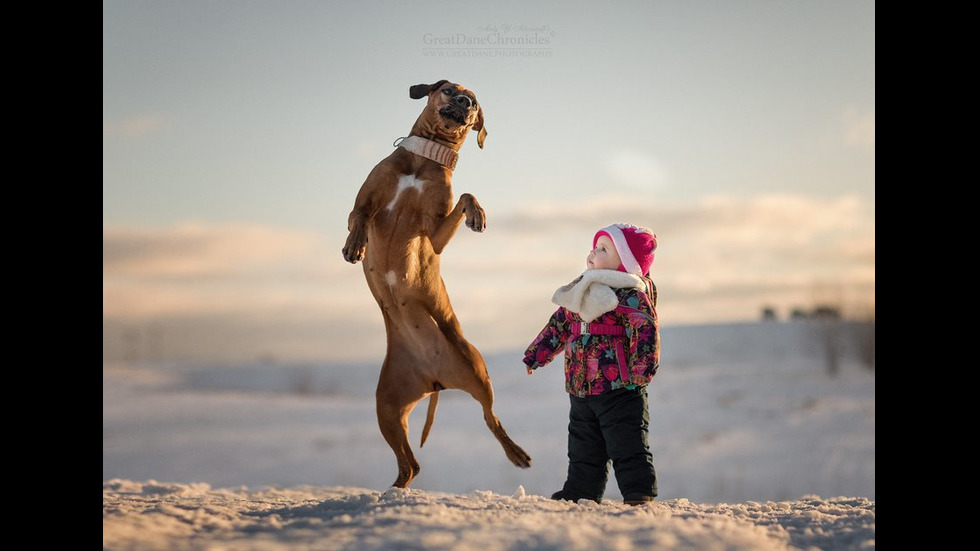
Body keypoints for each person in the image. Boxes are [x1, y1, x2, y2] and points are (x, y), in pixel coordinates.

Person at [524, 223, 660, 505]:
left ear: (625, 261)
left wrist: (641, 370)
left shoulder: (631, 295)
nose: (592, 253)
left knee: (627, 442)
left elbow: (645, 330)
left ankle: (638, 493)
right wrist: (537, 354)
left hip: (620, 388)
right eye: (595, 247)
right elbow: (558, 325)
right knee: (583, 446)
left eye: (603, 249)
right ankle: (581, 490)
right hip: (580, 388)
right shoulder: (580, 292)